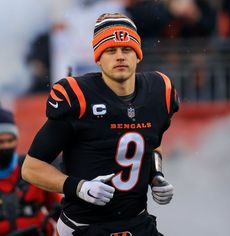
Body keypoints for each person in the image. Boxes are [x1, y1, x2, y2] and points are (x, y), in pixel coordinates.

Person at [21, 13, 180, 236]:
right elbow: (31, 168)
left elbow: (152, 142)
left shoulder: (158, 92)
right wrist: (79, 187)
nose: (120, 57)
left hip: (137, 222)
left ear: (138, 55)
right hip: (84, 226)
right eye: (110, 50)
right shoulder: (79, 98)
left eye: (126, 49)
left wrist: (156, 175)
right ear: (98, 57)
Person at [0, 107, 62, 236]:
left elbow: (57, 207)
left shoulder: (32, 170)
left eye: (10, 140)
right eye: (1, 142)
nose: (6, 146)